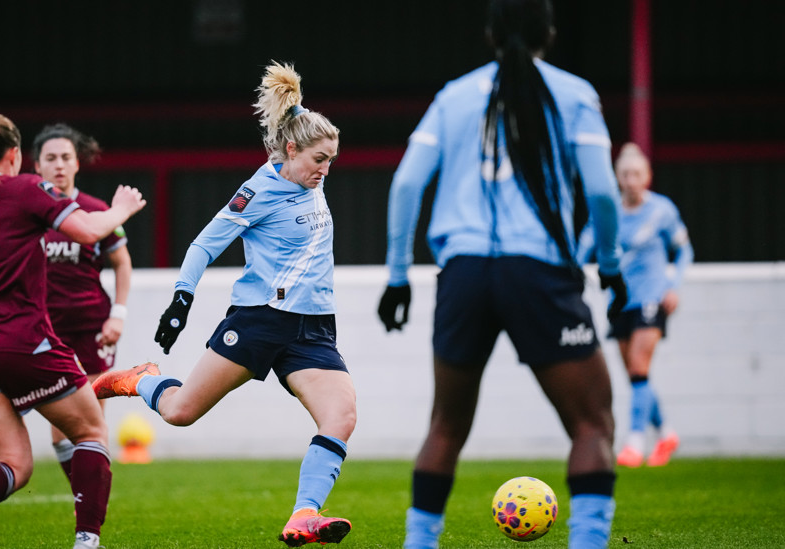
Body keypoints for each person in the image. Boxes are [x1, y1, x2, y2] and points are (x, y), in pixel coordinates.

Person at [377, 1, 628, 547]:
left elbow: (405, 185)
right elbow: (604, 192)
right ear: (551, 34)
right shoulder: (575, 94)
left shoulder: (454, 96)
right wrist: (610, 266)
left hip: (463, 274)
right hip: (540, 272)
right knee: (592, 425)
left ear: (489, 34)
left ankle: (419, 544)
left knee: (445, 426)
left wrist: (398, 277)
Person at [92, 62, 356, 548]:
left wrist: (297, 107)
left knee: (341, 417)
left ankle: (305, 516)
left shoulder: (307, 171)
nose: (325, 169)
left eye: (331, 161)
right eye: (320, 159)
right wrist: (181, 300)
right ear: (292, 151)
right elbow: (202, 245)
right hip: (259, 322)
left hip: (314, 330)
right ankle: (139, 379)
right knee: (180, 412)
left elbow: (297, 117)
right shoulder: (258, 191)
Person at [0, 113, 146, 549]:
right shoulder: (25, 189)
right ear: (19, 155)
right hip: (22, 342)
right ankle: (87, 542)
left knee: (14, 462)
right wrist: (122, 208)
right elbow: (90, 229)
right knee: (91, 432)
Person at [577, 142, 692, 469]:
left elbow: (685, 251)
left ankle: (634, 441)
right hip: (620, 300)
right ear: (617, 177)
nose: (631, 180)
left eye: (637, 174)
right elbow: (582, 248)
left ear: (647, 176)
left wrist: (674, 285)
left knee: (639, 366)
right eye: (625, 174)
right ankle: (667, 431)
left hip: (652, 298)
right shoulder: (606, 209)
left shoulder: (662, 211)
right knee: (635, 374)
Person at [32, 123, 133, 479]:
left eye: (65, 157)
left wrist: (117, 316)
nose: (59, 165)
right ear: (36, 166)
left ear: (77, 164)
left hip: (93, 326)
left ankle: (90, 492)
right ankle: (82, 488)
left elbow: (122, 263)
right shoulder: (30, 213)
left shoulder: (95, 209)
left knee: (91, 413)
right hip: (46, 330)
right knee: (61, 424)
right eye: (50, 158)